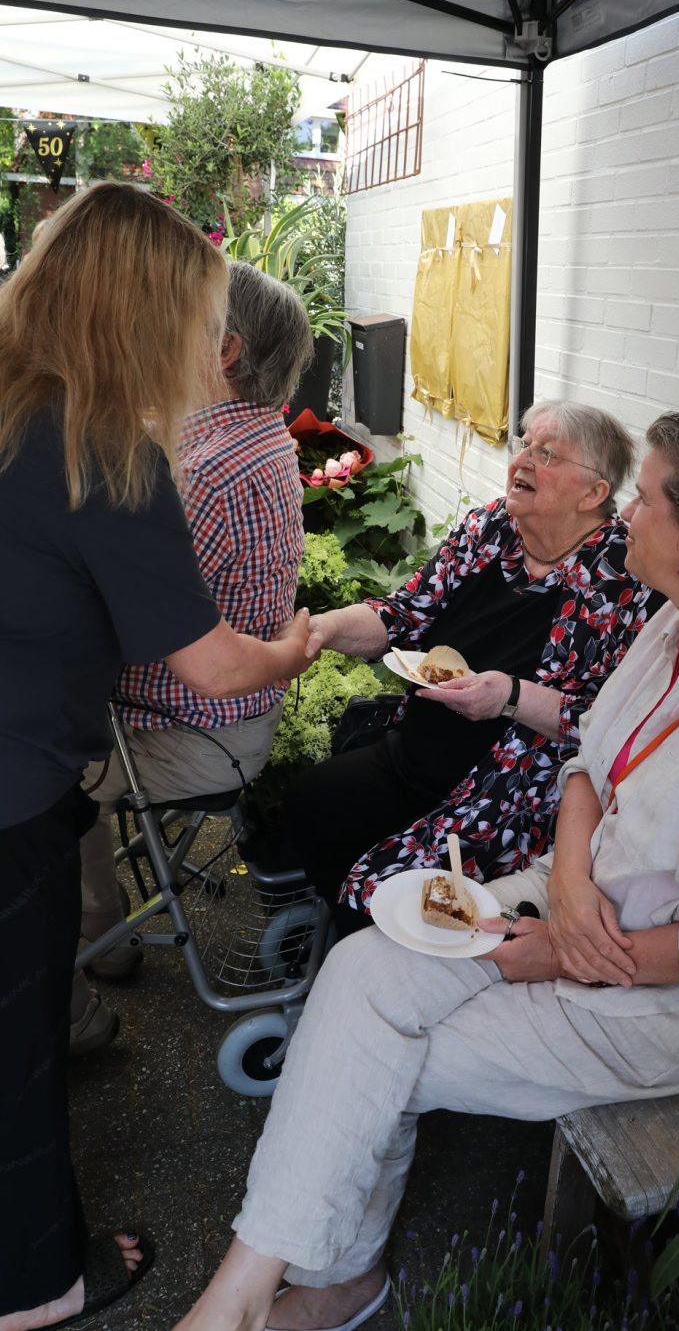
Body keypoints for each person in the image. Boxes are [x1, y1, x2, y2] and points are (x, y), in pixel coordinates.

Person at [172, 402, 679, 1331]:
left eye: (649, 500)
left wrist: (562, 949)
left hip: (662, 1002)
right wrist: (570, 885)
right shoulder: (674, 633)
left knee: (376, 1054)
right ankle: (255, 1293)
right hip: (561, 902)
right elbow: (589, 763)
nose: (627, 515)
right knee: (362, 966)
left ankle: (312, 1286)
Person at [0, 183, 315, 1331]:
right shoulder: (100, 451)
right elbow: (219, 668)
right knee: (15, 1047)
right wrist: (299, 642)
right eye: (192, 317)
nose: (205, 345)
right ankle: (34, 1287)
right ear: (141, 315)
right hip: (12, 789)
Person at [285, 400, 662, 933]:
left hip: (502, 797)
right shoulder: (491, 528)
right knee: (308, 804)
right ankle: (336, 948)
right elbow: (403, 612)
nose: (524, 460)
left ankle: (361, 969)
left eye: (547, 453)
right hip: (413, 756)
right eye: (525, 444)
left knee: (378, 897)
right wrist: (324, 630)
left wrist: (509, 696)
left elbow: (609, 725)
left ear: (593, 493)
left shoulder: (626, 583)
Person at [71, 260, 314, 1054]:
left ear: (224, 351)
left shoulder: (200, 472)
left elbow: (127, 624)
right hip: (235, 718)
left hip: (189, 735)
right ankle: (101, 928)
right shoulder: (261, 438)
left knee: (38, 765)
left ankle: (93, 951)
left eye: (182, 322)